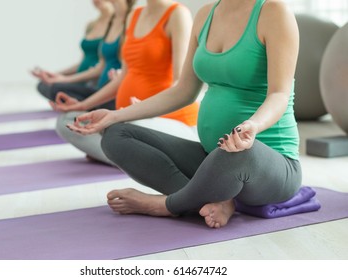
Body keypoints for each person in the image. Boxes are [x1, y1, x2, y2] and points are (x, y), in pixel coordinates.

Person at [66, 0, 302, 228]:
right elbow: (183, 91)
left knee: (238, 154)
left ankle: (164, 205)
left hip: (266, 163)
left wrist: (253, 126)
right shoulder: (205, 15)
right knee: (116, 135)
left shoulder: (274, 11)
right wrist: (115, 115)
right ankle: (215, 200)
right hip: (212, 157)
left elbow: (280, 94)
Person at [52, 0, 199, 164]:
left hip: (167, 119)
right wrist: (82, 105)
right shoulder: (134, 16)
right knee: (67, 121)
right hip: (127, 117)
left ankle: (119, 154)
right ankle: (124, 157)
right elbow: (123, 77)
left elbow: (180, 82)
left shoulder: (178, 14)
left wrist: (143, 108)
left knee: (123, 130)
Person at [31, 0, 125, 106]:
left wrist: (65, 79)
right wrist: (57, 75)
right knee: (43, 85)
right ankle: (86, 103)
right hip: (83, 77)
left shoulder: (119, 24)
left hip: (94, 81)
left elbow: (105, 67)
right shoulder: (93, 25)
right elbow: (83, 62)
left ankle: (88, 103)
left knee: (55, 87)